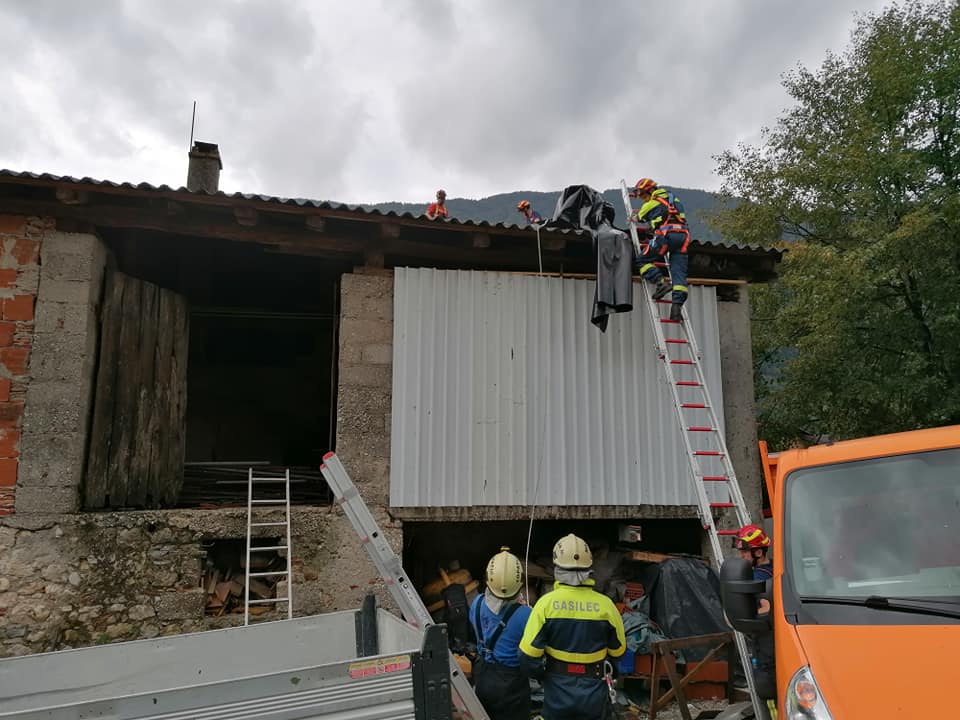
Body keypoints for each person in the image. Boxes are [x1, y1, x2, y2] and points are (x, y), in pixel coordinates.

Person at [519, 534, 626, 720]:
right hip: (594, 692)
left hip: (557, 692)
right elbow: (619, 652)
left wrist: (544, 677)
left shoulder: (546, 605)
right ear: (589, 569)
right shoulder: (607, 606)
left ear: (557, 568)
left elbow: (527, 657)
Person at [468, 547, 532, 720]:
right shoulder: (526, 615)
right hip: (511, 685)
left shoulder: (477, 603)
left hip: (482, 676)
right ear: (519, 584)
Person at [629, 178, 690, 322]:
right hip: (683, 238)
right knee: (679, 274)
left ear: (650, 191)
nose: (643, 199)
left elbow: (637, 218)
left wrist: (633, 218)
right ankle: (676, 308)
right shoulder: (675, 199)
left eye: (643, 195)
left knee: (641, 260)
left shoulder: (650, 204)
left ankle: (660, 283)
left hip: (665, 236)